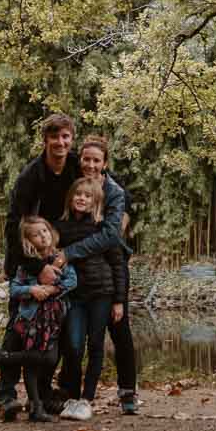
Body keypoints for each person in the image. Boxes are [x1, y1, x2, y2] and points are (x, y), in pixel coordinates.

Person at [0, 112, 130, 419]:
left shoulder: (74, 166)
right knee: (19, 328)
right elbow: (14, 226)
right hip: (28, 255)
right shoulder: (31, 176)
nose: (60, 142)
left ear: (71, 139)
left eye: (66, 137)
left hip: (61, 256)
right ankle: (5, 394)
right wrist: (36, 265)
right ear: (45, 141)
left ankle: (44, 395)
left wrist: (123, 214)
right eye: (54, 137)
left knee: (53, 331)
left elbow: (111, 187)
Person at [0, 216, 77, 422]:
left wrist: (51, 289)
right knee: (34, 360)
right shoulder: (28, 264)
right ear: (28, 241)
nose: (42, 236)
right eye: (35, 234)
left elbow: (72, 281)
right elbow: (14, 288)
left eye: (45, 231)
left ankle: (2, 357)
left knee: (47, 359)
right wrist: (31, 289)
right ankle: (37, 408)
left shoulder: (59, 258)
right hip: (31, 319)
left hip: (52, 320)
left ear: (51, 232)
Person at [52, 176, 126, 420]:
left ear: (96, 201)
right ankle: (72, 396)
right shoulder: (60, 228)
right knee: (73, 346)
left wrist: (118, 300)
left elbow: (117, 264)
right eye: (78, 194)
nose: (82, 198)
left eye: (88, 195)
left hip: (101, 294)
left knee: (96, 346)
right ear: (70, 197)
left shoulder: (103, 229)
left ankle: (87, 399)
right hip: (74, 296)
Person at [77, 133, 141, 415]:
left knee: (120, 329)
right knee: (76, 336)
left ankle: (128, 393)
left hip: (113, 264)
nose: (90, 165)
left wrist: (71, 249)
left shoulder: (114, 192)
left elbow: (111, 237)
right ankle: (68, 392)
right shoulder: (75, 184)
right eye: (86, 159)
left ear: (105, 163)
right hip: (82, 270)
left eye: (96, 160)